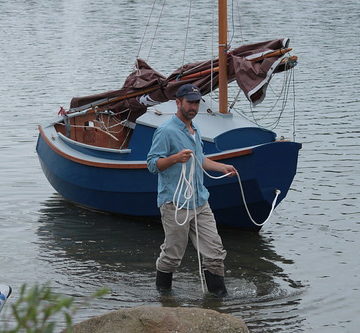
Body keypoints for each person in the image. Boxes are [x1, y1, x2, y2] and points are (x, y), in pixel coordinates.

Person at [147, 83, 237, 296]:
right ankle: (163, 294)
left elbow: (200, 159)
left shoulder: (194, 130)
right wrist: (175, 158)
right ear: (178, 103)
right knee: (173, 256)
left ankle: (219, 299)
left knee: (214, 252)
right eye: (190, 103)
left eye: (196, 103)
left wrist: (222, 166)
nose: (193, 108)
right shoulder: (166, 131)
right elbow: (152, 165)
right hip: (175, 203)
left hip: (200, 201)